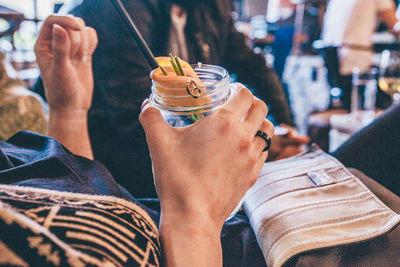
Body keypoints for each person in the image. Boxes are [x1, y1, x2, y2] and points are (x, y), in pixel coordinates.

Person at [2, 14, 400, 266]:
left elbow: (77, 206)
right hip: (331, 243)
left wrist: (68, 111)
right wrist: (196, 216)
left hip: (299, 199)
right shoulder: (116, 14)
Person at [34, 0, 303, 198]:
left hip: (187, 143)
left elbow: (253, 66)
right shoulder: (114, 9)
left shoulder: (211, 8)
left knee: (290, 160)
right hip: (119, 162)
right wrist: (245, 145)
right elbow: (135, 115)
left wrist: (285, 126)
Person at [321, 0, 400, 110]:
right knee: (362, 110)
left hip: (330, 58)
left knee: (341, 105)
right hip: (354, 61)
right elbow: (396, 25)